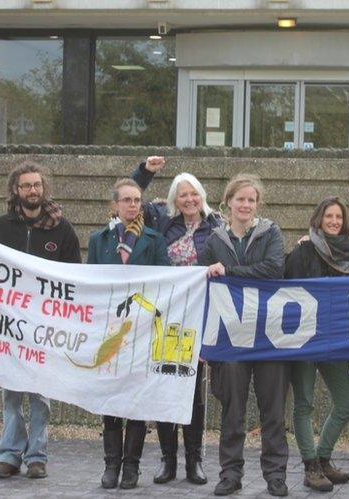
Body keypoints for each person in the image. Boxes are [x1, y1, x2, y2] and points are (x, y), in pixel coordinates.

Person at [0, 161, 81, 480]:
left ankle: (37, 456)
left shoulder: (61, 229)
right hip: (10, 325)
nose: (32, 190)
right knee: (11, 393)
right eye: (26, 185)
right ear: (16, 189)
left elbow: (73, 277)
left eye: (37, 185)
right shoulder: (0, 227)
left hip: (46, 325)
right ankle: (9, 455)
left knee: (40, 394)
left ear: (43, 188)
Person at [130, 156, 219, 485]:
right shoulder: (160, 221)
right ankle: (168, 460)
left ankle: (193, 461)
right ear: (174, 199)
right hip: (165, 317)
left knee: (193, 389)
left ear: (202, 196)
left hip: (199, 316)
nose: (189, 200)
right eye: (182, 194)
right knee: (166, 384)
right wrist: (145, 171)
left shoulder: (216, 224)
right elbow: (129, 196)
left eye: (194, 193)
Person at [198, 173, 289, 497]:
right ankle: (230, 474)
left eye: (251, 200)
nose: (246, 205)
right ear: (229, 203)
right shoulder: (214, 241)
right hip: (230, 338)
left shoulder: (271, 233)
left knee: (273, 412)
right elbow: (202, 287)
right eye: (241, 199)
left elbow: (273, 270)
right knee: (232, 412)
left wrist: (230, 272)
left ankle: (276, 475)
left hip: (268, 336)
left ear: (257, 204)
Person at [88, 177, 170, 490]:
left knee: (136, 399)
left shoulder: (153, 239)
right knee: (110, 399)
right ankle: (111, 464)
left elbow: (164, 279)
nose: (132, 205)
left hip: (142, 331)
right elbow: (91, 282)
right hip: (111, 330)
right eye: (126, 200)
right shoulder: (99, 239)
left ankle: (131, 466)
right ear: (115, 204)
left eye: (137, 200)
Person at [284, 196, 349, 493]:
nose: (333, 221)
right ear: (318, 219)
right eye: (328, 216)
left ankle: (324, 456)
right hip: (304, 340)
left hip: (334, 339)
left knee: (346, 402)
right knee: (304, 403)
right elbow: (287, 288)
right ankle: (310, 466)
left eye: (338, 217)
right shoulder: (303, 250)